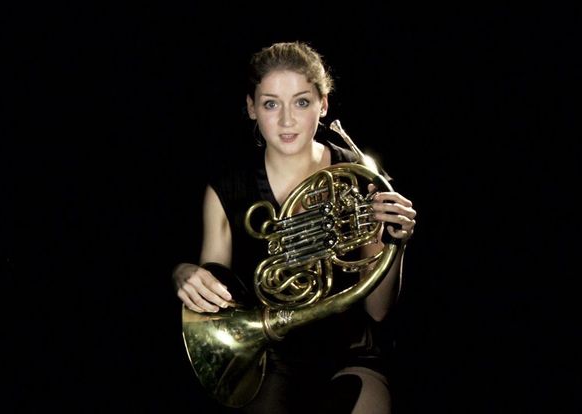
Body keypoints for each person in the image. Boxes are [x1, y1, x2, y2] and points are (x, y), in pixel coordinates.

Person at [173, 41, 417, 414]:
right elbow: (214, 300)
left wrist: (396, 243)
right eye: (271, 103)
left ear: (323, 104)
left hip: (350, 349)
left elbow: (379, 310)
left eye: (302, 102)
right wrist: (184, 274)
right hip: (270, 353)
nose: (287, 120)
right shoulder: (228, 188)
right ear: (252, 108)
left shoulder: (361, 178)